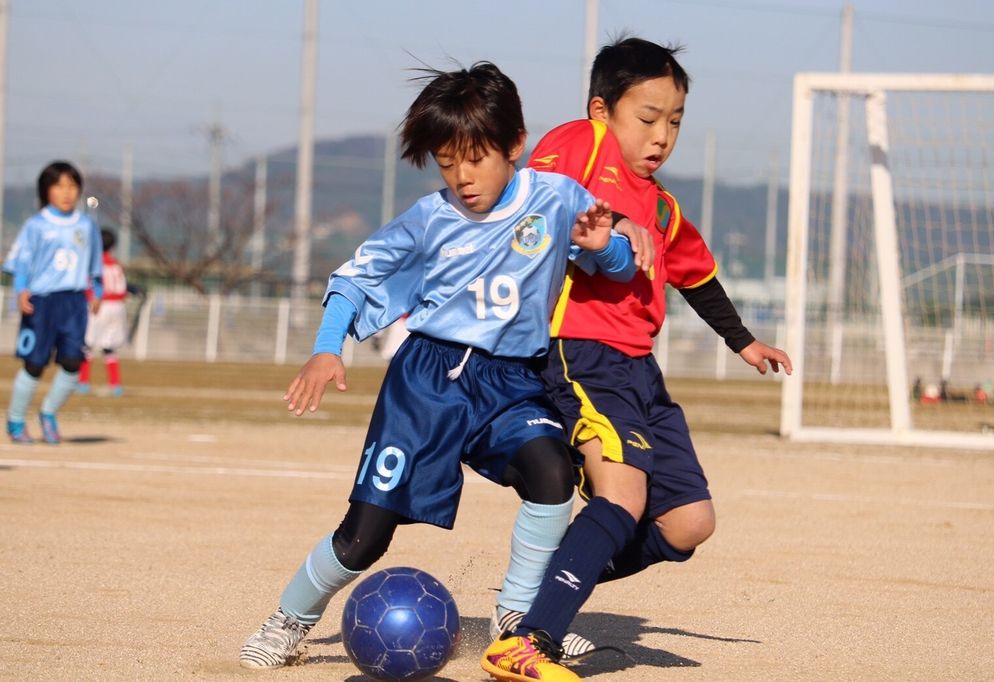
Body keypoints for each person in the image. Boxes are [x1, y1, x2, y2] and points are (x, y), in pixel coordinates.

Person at [238, 62, 636, 680]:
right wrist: (327, 346)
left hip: (512, 380)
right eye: (447, 162)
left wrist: (601, 244)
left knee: (553, 472)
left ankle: (519, 619)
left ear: (515, 145)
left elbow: (616, 265)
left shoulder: (558, 199)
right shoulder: (429, 219)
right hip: (426, 380)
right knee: (367, 535)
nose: (461, 177)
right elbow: (354, 277)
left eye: (474, 158)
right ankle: (289, 620)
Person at [483, 37, 793, 678]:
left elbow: (697, 275)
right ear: (602, 111)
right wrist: (610, 228)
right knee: (621, 496)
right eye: (647, 118)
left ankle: (547, 596)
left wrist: (744, 341)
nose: (662, 135)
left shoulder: (663, 206)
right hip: (580, 353)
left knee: (688, 523)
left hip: (639, 369)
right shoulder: (581, 144)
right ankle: (530, 638)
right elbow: (534, 197)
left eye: (674, 121)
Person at [3, 161, 102, 444]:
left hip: (73, 303)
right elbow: (22, 263)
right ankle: (16, 421)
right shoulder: (35, 225)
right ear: (46, 190)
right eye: (59, 185)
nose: (66, 192)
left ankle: (48, 413)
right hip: (41, 302)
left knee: (73, 363)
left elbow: (94, 266)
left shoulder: (86, 225)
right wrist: (21, 291)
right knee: (34, 364)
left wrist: (97, 291)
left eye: (72, 186)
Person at [78, 228, 138, 397]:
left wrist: (90, 299)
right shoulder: (116, 264)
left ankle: (83, 383)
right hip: (118, 307)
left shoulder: (95, 263)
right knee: (109, 347)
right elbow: (122, 288)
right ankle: (115, 385)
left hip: (100, 305)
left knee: (87, 344)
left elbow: (89, 284)